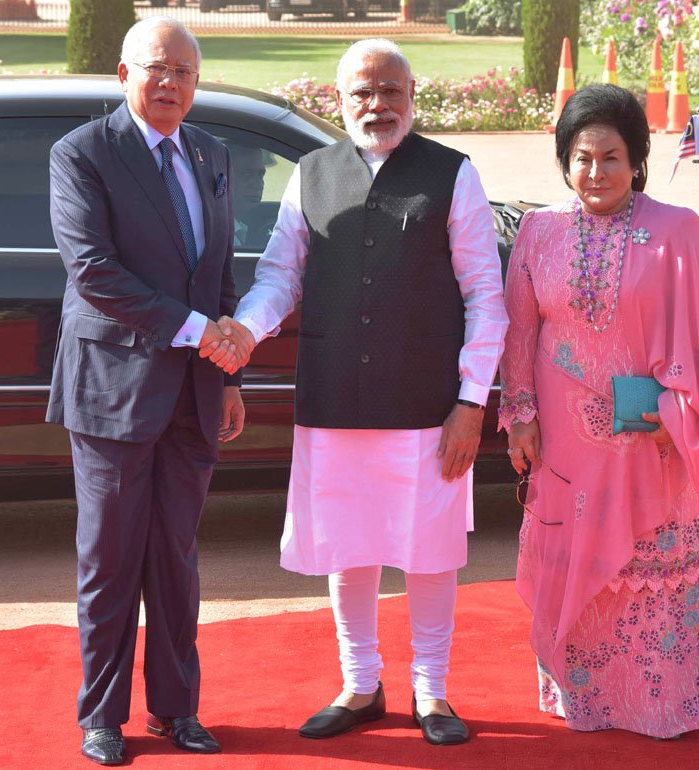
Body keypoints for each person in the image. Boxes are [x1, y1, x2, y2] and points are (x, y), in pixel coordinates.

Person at [205, 38, 508, 745]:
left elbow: (485, 295)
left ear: (412, 95)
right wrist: (243, 331)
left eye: (391, 90)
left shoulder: (453, 173)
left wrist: (472, 402)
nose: (378, 105)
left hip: (428, 405)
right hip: (334, 396)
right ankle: (360, 684)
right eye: (362, 93)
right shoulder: (311, 173)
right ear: (339, 100)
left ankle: (432, 692)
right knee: (348, 547)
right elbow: (280, 275)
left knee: (431, 551)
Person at [499, 84, 699, 739]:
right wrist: (520, 416)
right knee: (573, 562)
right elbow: (519, 332)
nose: (596, 172)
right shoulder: (539, 231)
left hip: (649, 439)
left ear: (636, 161)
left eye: (611, 157)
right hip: (564, 447)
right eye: (582, 158)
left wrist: (676, 412)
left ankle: (658, 703)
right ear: (564, 161)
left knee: (644, 569)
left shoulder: (675, 231)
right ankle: (583, 697)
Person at [47, 16, 244, 766]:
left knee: (176, 560)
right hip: (112, 394)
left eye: (184, 72)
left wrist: (229, 373)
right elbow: (93, 271)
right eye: (157, 69)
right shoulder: (83, 153)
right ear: (125, 74)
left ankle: (176, 709)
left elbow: (219, 271)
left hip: (195, 394)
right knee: (110, 562)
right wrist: (198, 331)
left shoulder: (211, 153)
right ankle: (101, 717)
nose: (171, 83)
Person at [227, 142, 276, 248]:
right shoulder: (220, 236)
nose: (258, 185)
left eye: (260, 175)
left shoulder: (235, 227)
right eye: (246, 174)